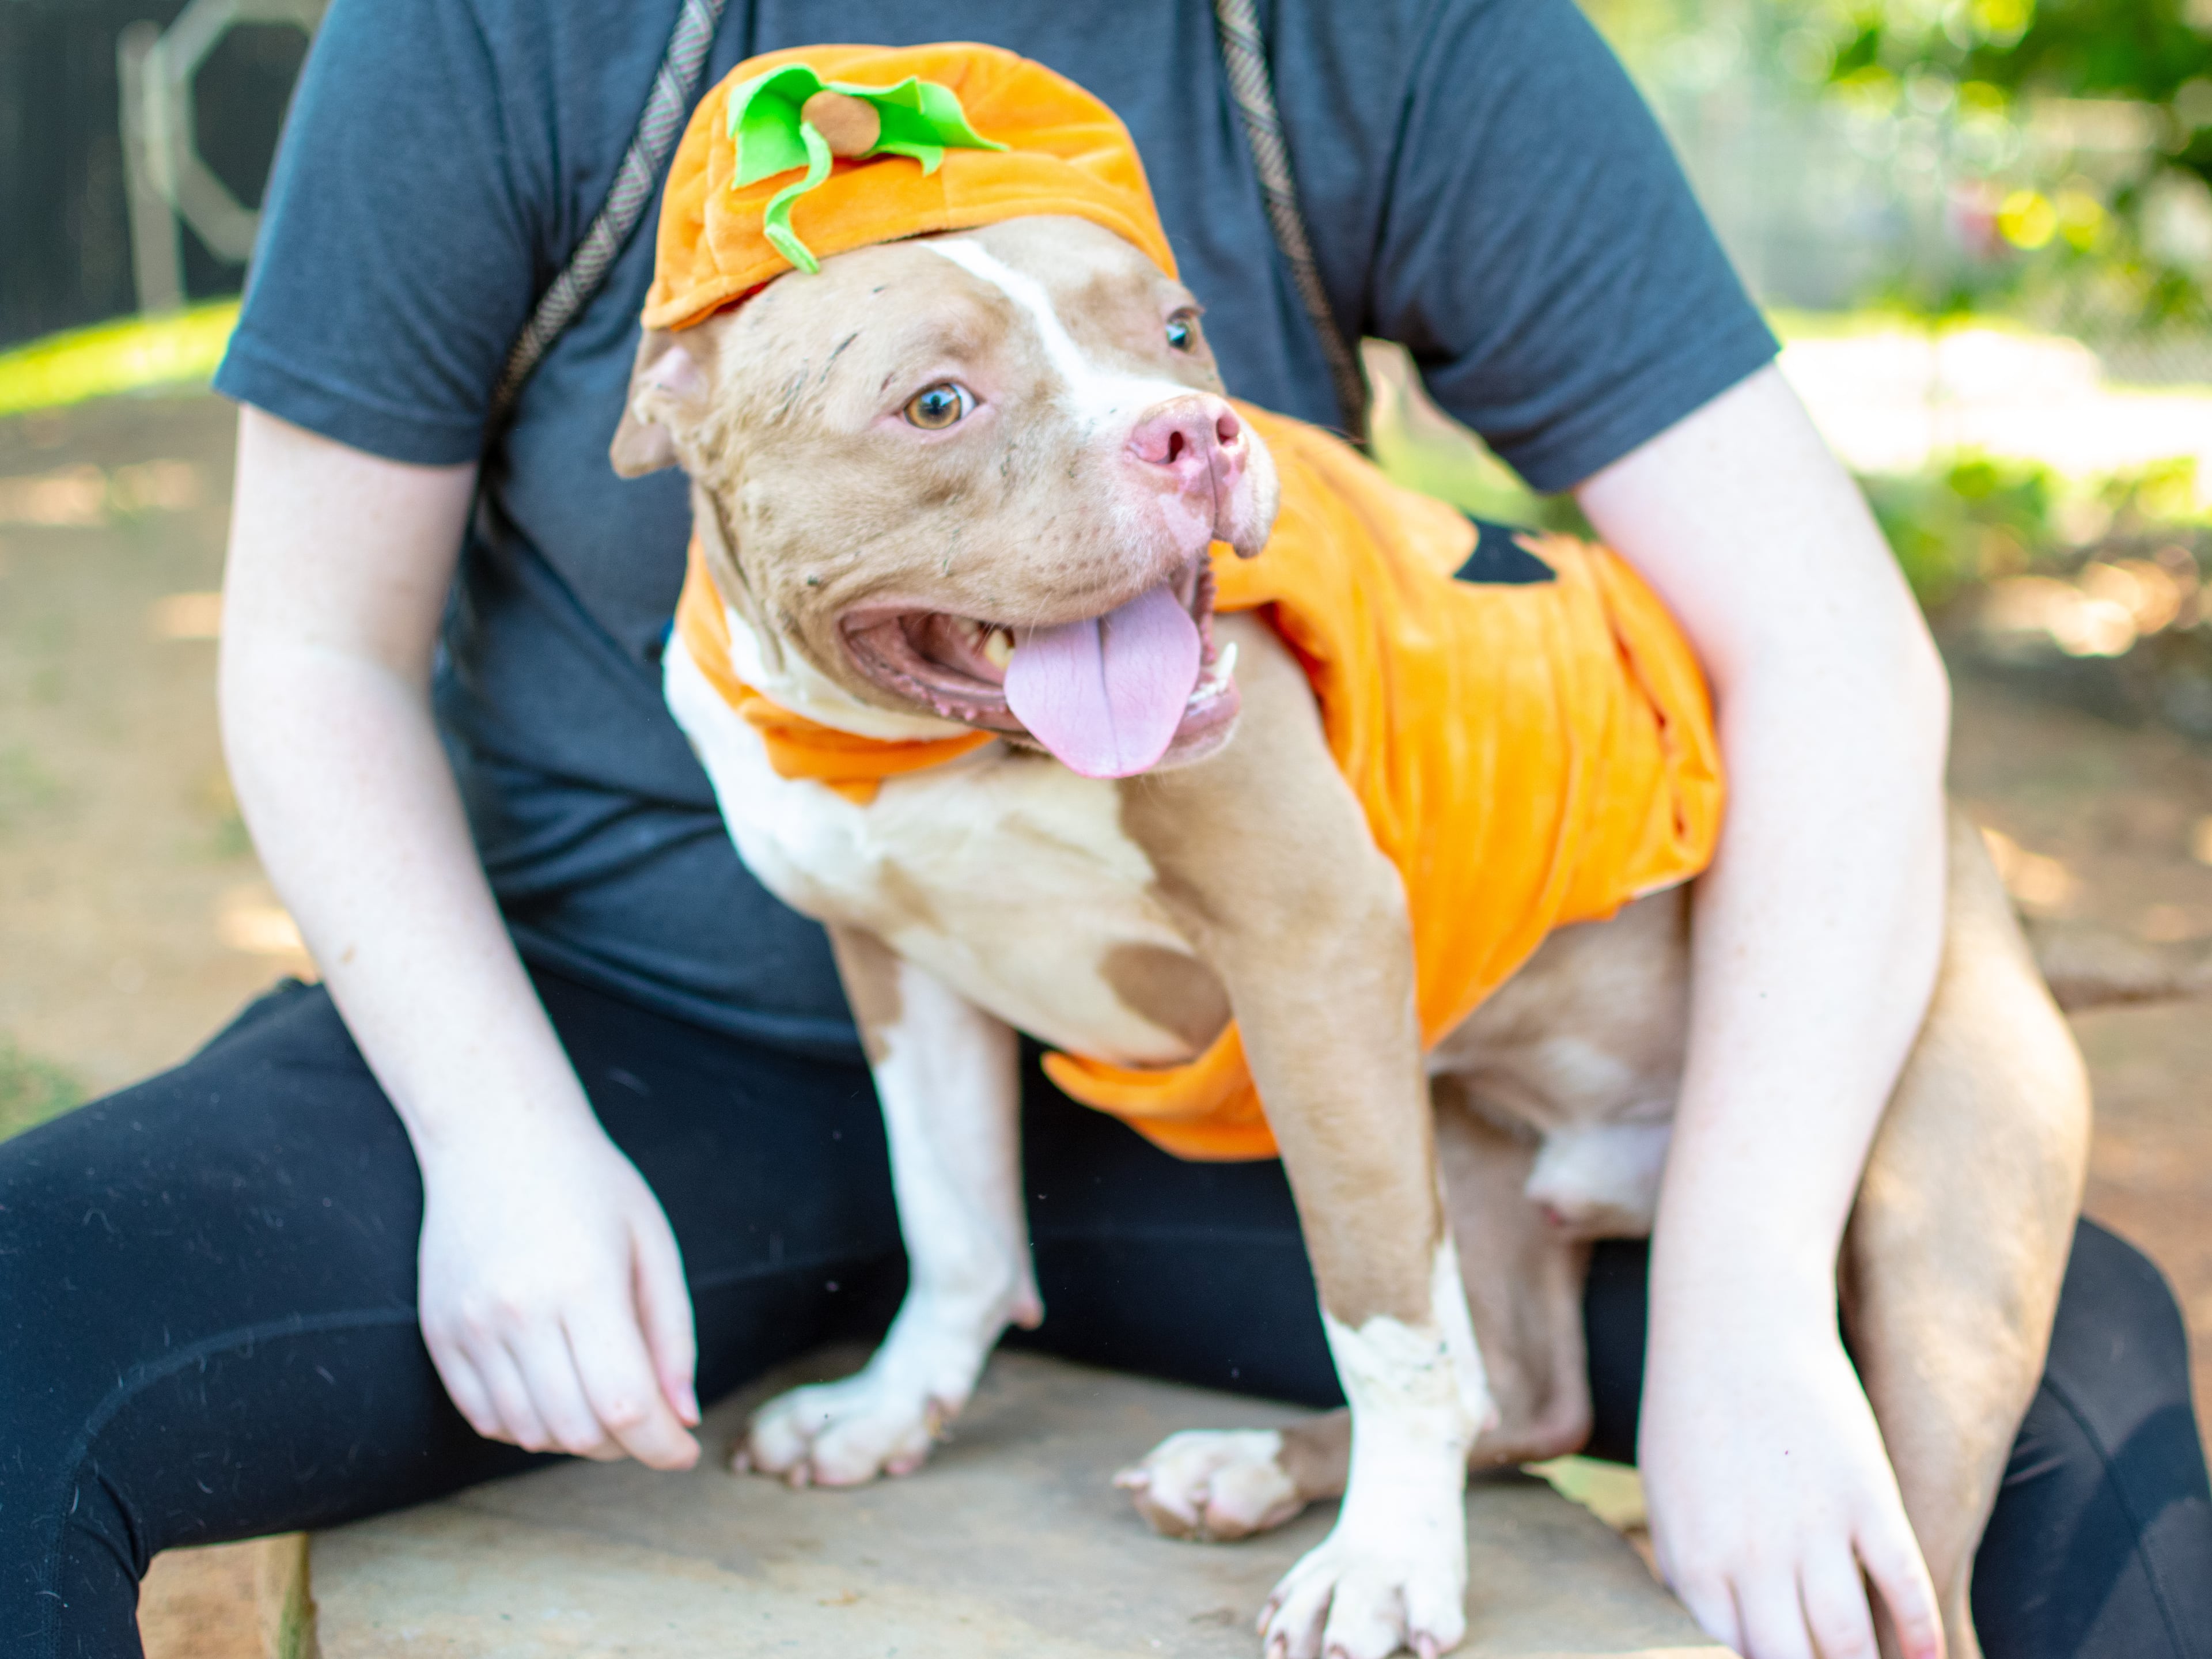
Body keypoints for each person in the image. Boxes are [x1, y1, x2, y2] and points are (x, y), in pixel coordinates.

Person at [3, 2, 2206, 1656]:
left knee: (2064, 1393)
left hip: (1270, 1096)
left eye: (1168, 345)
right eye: (942, 395)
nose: (1166, 407)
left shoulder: (1377, 35)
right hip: (622, 1042)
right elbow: (311, 647)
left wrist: (1744, 1291)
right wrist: (496, 1133)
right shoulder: (509, 37)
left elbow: (1831, 648)